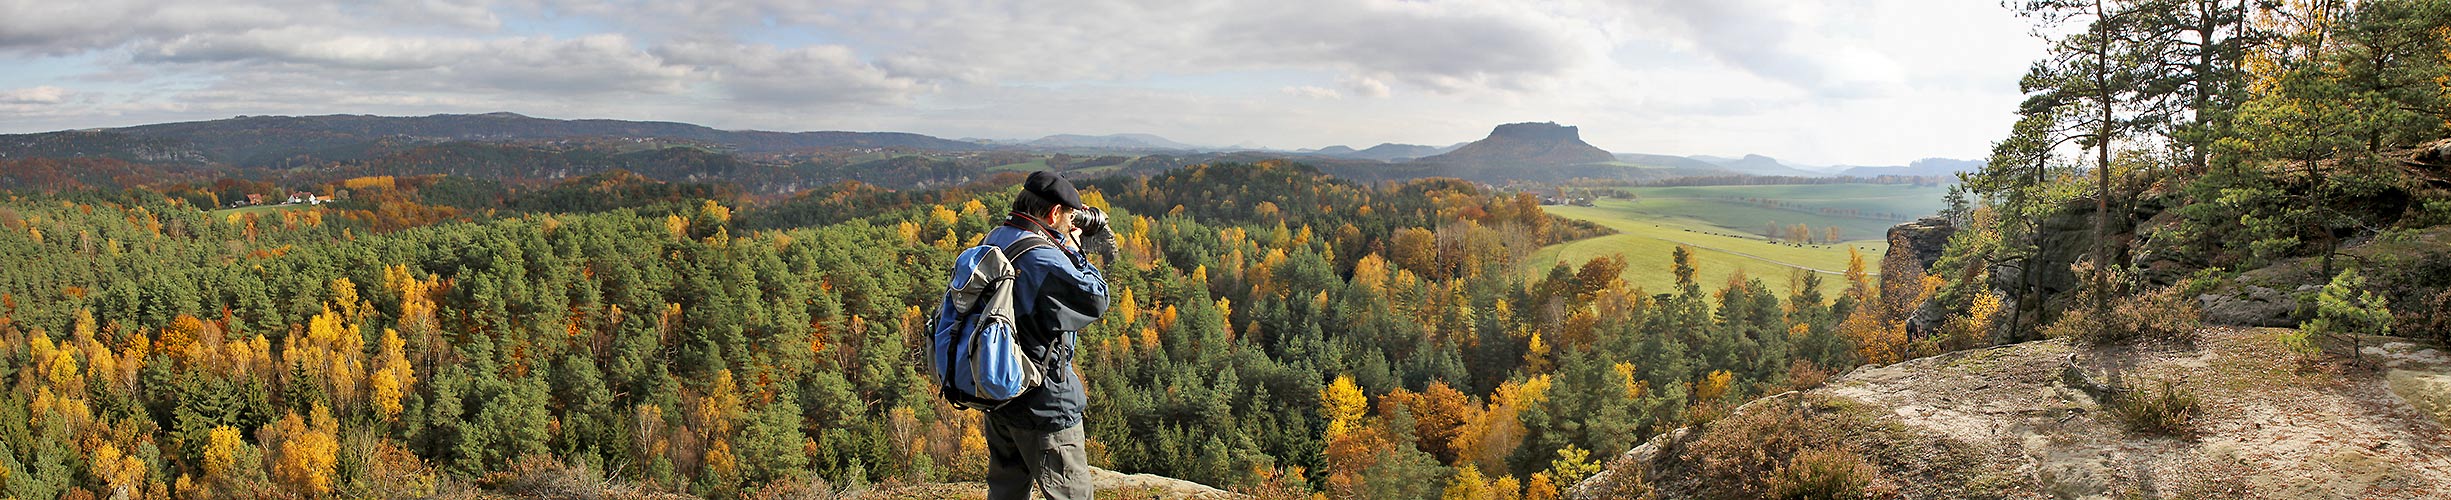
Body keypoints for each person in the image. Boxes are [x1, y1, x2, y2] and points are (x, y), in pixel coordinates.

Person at [979, 170, 1109, 500]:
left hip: (998, 394)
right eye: (1068, 218)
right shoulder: (1042, 257)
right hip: (1043, 405)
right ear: (1053, 214)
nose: (1069, 224)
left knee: (1006, 492)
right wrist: (1077, 249)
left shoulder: (994, 238)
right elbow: (1096, 299)